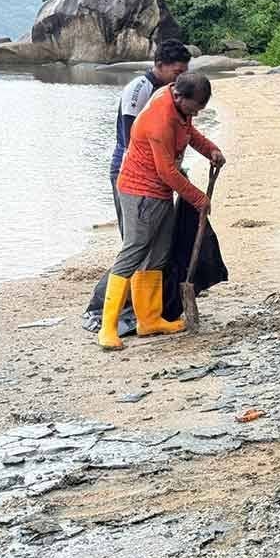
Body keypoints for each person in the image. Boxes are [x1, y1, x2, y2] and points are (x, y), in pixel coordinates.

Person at [98, 72, 226, 351]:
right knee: (134, 251)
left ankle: (150, 319)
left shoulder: (179, 106)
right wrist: (198, 198)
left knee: (158, 253)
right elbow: (166, 171)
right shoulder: (159, 118)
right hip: (139, 192)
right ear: (179, 96)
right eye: (194, 108)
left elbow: (189, 132)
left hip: (160, 193)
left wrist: (210, 150)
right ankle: (107, 327)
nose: (195, 113)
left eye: (199, 110)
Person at [109, 39, 192, 237]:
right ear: (160, 65)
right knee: (135, 237)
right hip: (131, 172)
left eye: (184, 73)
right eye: (177, 72)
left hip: (159, 172)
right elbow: (131, 139)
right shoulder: (139, 89)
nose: (180, 79)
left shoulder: (172, 93)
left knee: (158, 236)